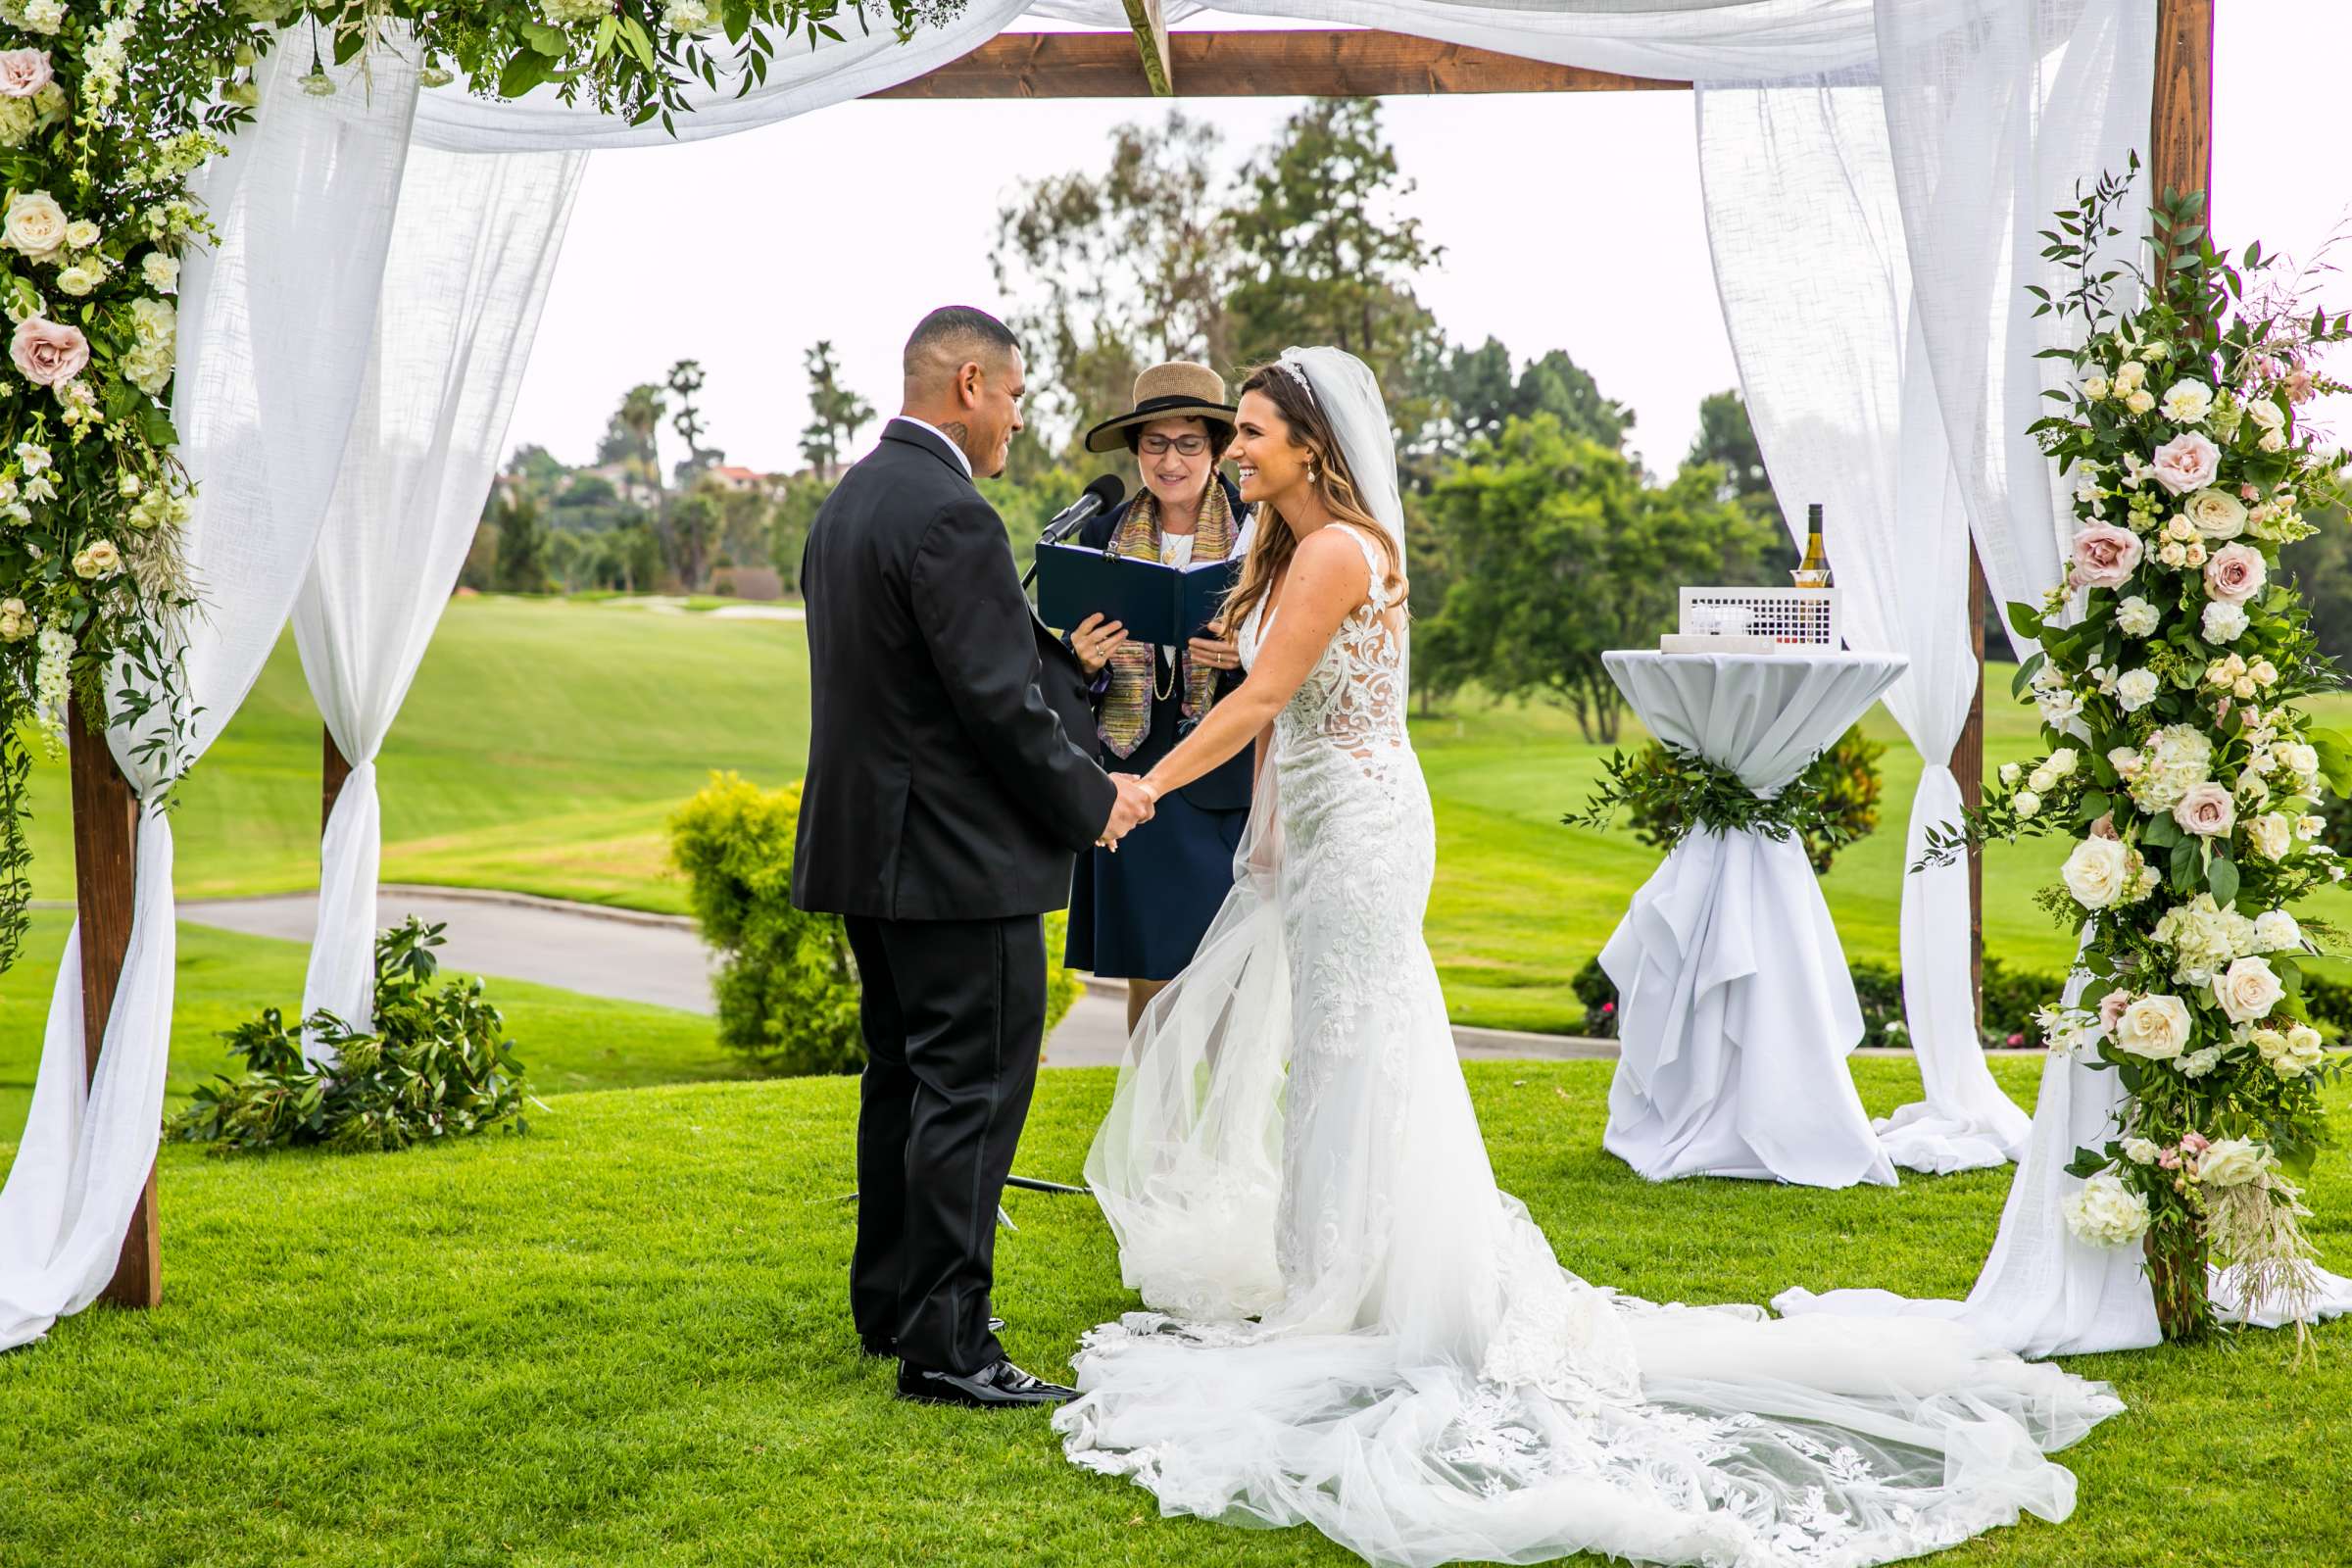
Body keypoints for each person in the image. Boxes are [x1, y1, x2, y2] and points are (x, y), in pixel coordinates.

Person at [1054, 348, 2124, 1566]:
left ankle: (1356, 1290)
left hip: (1364, 828)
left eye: (1250, 432)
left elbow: (1259, 702)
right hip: (1324, 818)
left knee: (1359, 1044)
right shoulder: (1288, 548)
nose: (1235, 450)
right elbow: (1285, 723)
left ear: (1311, 444)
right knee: (1340, 1051)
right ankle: (1338, 1269)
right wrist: (1267, 832)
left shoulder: (1344, 550)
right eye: (1232, 434)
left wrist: (1142, 787)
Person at [792, 305, 1154, 1411]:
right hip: (955, 865)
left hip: (873, 855)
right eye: (1011, 394)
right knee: (973, 1091)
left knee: (903, 1079)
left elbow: (930, 688)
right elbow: (995, 708)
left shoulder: (849, 502)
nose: (1014, 417)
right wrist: (1093, 799)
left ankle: (893, 1304)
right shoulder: (949, 512)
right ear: (965, 382)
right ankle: (948, 1344)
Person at [1061, 363, 1255, 1034]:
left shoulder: (1260, 530)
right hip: (1131, 771)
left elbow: (1297, 654)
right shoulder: (1101, 534)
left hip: (1223, 778)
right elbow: (1070, 671)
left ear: (1219, 449)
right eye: (1154, 444)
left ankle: (1220, 1131)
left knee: (1227, 967)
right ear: (1136, 448)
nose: (1169, 460)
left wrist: (1244, 655)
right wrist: (1081, 661)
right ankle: (1157, 1131)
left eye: (1188, 444)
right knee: (1151, 969)